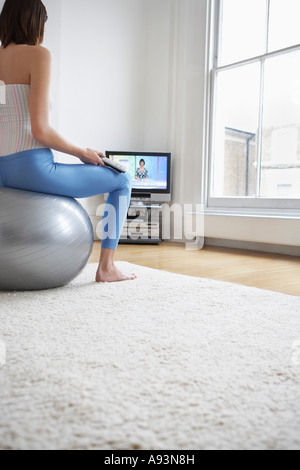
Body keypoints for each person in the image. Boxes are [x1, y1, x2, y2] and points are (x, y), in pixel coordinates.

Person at [0, 0, 136, 283]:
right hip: (31, 168)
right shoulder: (38, 55)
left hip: (3, 171)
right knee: (122, 180)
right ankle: (107, 268)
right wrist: (81, 152)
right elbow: (40, 130)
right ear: (36, 20)